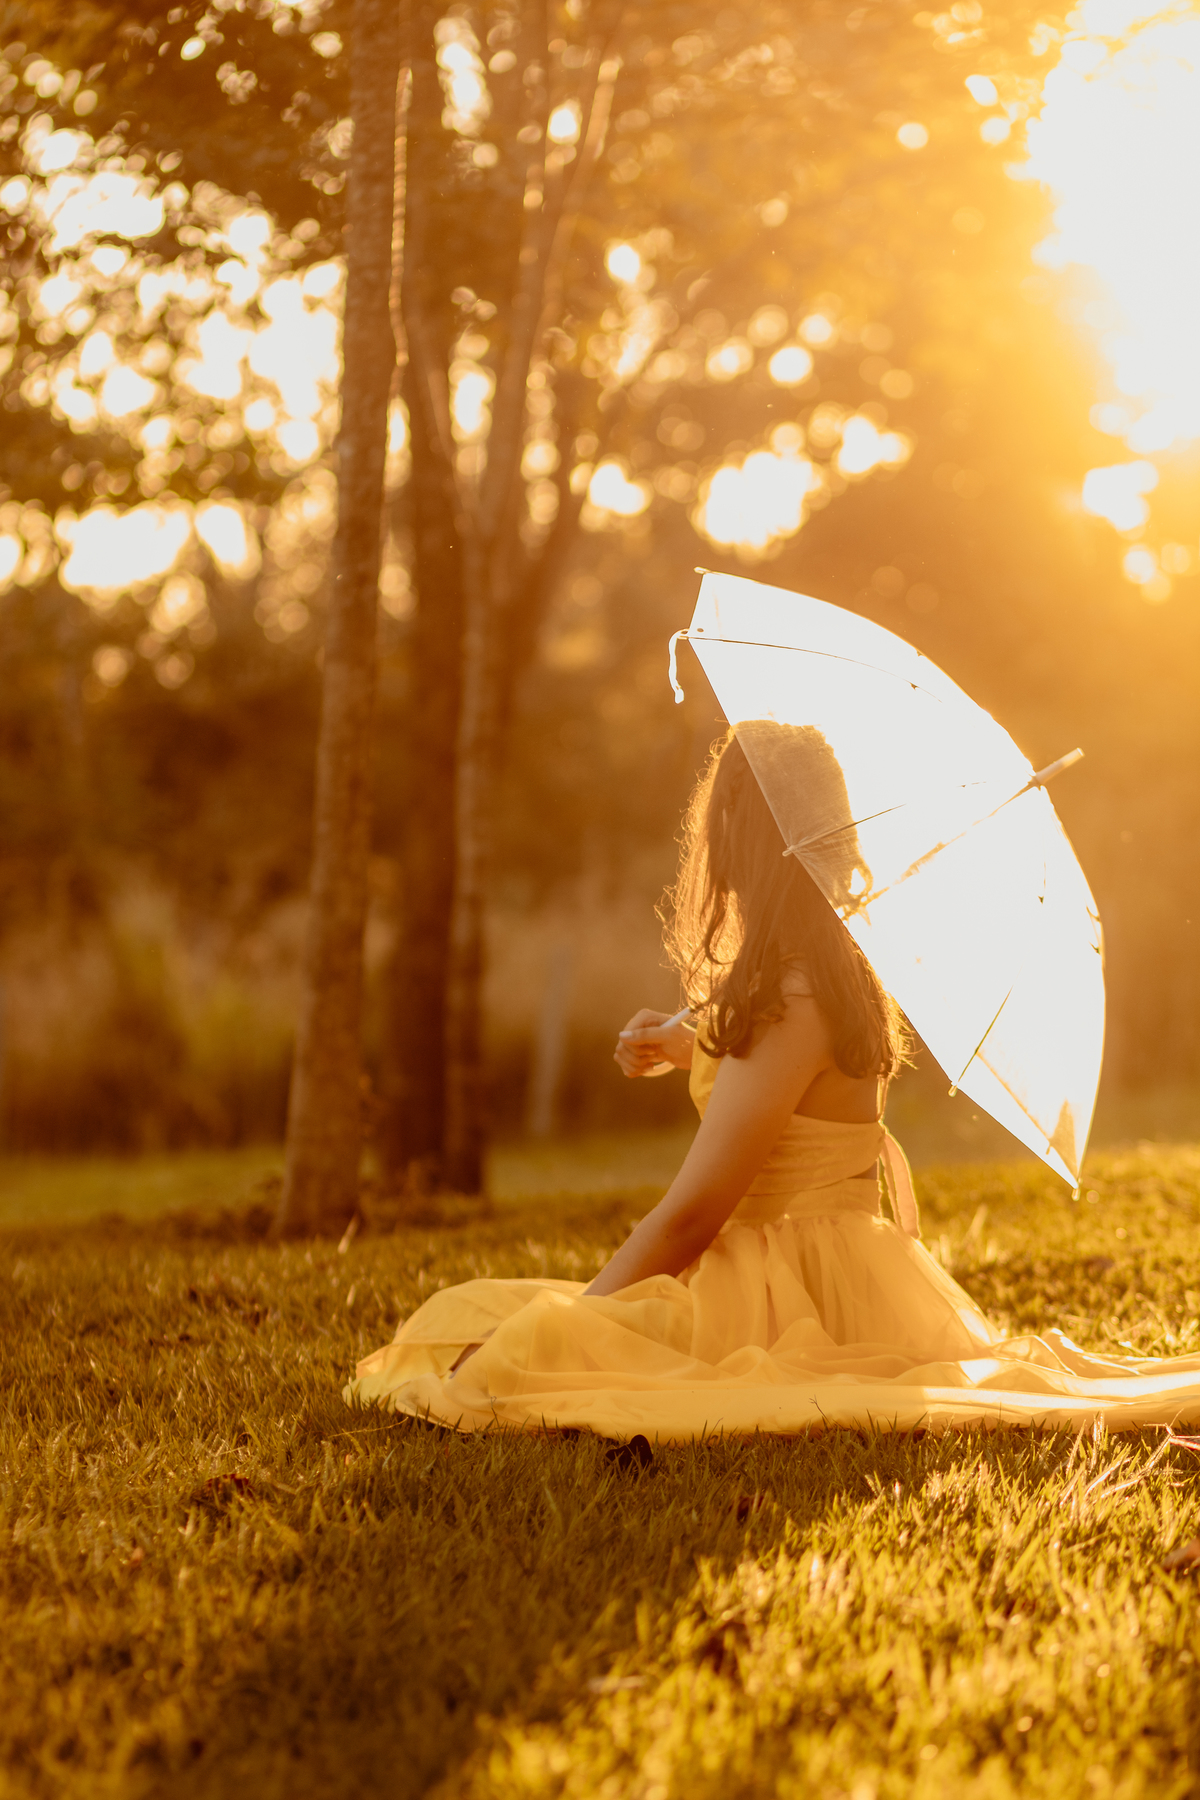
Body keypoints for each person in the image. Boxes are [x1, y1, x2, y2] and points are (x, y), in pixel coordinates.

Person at [347, 730, 1200, 1438]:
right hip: (825, 1262)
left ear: (737, 837)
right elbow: (783, 1086)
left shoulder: (797, 990)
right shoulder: (820, 971)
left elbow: (695, 1212)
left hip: (785, 1286)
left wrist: (578, 1321)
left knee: (522, 1344)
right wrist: (686, 1043)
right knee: (459, 1315)